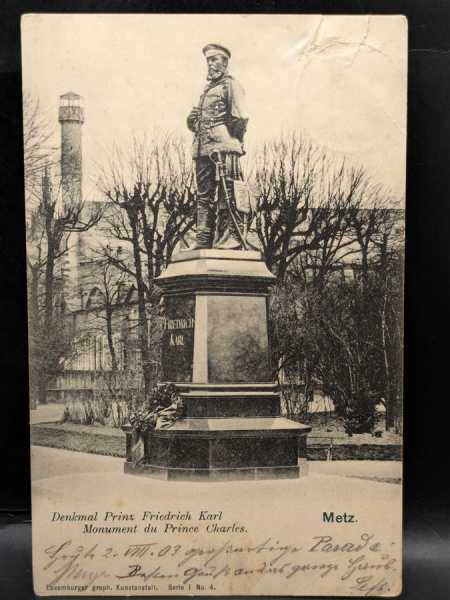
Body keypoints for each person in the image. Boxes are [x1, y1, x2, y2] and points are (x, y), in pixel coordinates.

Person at [187, 43, 249, 249]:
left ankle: (232, 236)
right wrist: (192, 121)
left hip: (223, 146)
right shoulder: (207, 90)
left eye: (214, 59)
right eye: (208, 60)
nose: (211, 64)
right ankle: (203, 240)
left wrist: (232, 140)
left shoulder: (231, 85)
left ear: (224, 62)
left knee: (228, 191)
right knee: (203, 195)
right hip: (202, 148)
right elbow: (197, 121)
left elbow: (240, 117)